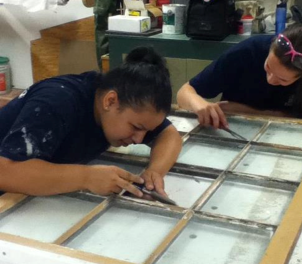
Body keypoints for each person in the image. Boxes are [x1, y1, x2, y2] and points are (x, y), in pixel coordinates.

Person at [0, 47, 182, 198]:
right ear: (110, 101)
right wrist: (86, 177)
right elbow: (5, 172)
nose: (139, 138)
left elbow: (169, 135)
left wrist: (155, 172)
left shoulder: (120, 105)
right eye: (136, 128)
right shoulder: (57, 102)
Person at [177, 23, 302, 129]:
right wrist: (199, 104)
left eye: (283, 80)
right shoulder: (247, 52)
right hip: (235, 130)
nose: (271, 79)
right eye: (268, 67)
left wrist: (246, 110)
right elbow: (184, 92)